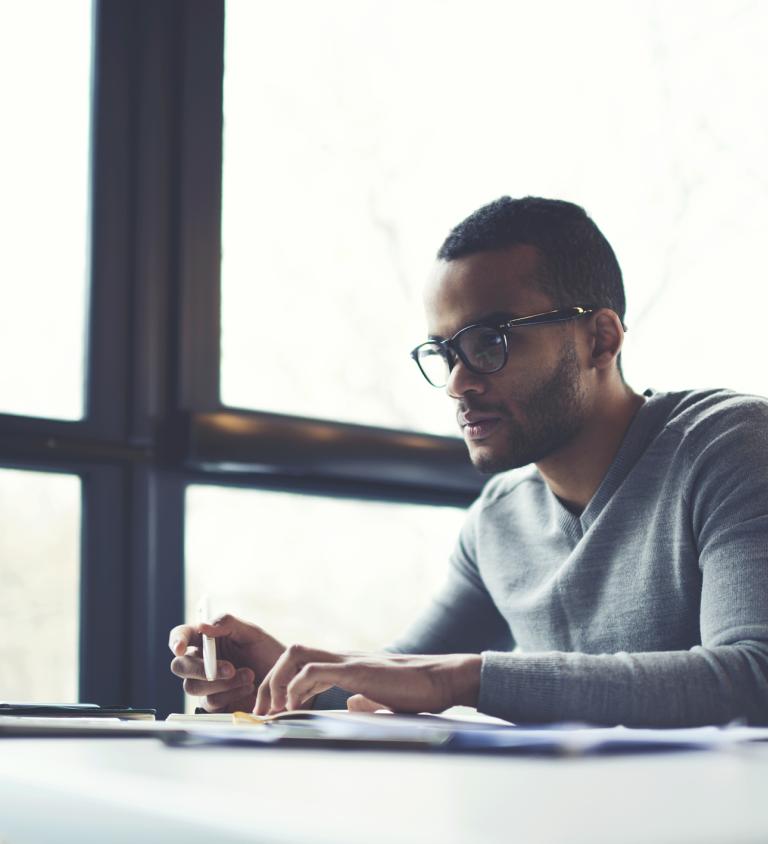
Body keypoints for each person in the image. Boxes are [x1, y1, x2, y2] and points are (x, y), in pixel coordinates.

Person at [169, 196, 768, 726]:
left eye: (490, 343)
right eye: (445, 352)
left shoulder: (729, 446)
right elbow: (394, 687)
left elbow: (753, 676)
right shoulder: (499, 523)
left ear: (601, 339)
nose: (457, 384)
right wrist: (278, 677)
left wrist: (464, 679)